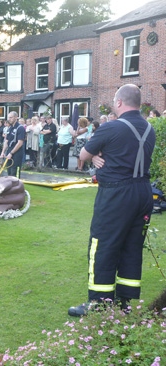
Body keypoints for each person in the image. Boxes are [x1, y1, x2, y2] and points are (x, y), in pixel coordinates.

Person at [68, 84, 156, 317]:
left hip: (117, 194)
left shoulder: (111, 127)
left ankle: (99, 303)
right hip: (144, 193)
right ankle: (126, 303)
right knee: (132, 246)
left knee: (102, 245)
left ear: (118, 102)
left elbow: (83, 157)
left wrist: (95, 157)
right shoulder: (150, 128)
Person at [0, 111, 26, 178]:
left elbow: (20, 143)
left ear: (16, 117)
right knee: (9, 170)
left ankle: (16, 187)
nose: (9, 119)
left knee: (15, 171)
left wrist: (11, 153)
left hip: (17, 152)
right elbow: (6, 141)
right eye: (8, 117)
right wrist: (3, 152)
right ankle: (10, 186)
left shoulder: (20, 128)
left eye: (11, 117)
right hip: (10, 149)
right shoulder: (10, 128)